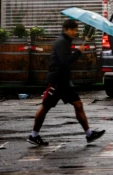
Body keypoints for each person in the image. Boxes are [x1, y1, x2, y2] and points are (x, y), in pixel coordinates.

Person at [29, 18, 105, 146]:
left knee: (78, 105)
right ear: (66, 29)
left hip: (64, 81)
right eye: (72, 30)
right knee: (45, 106)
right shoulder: (61, 43)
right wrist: (78, 52)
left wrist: (77, 52)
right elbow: (65, 61)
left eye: (75, 30)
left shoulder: (65, 41)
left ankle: (89, 134)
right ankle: (33, 135)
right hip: (57, 81)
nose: (75, 32)